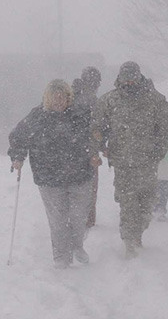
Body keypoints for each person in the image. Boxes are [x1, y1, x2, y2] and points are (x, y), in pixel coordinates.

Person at [8, 79, 97, 269]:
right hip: (49, 178)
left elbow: (96, 134)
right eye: (54, 99)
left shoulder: (80, 115)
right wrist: (17, 156)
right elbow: (18, 137)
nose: (59, 102)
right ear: (47, 99)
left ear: (68, 97)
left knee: (79, 217)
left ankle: (77, 246)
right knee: (57, 220)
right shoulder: (37, 117)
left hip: (80, 174)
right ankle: (60, 257)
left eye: (62, 98)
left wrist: (96, 151)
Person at [90, 61, 168, 259]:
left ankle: (138, 234)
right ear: (119, 78)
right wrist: (99, 148)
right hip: (122, 162)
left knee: (146, 205)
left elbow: (165, 127)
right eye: (125, 77)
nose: (129, 81)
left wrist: (158, 151)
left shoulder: (154, 99)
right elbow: (96, 128)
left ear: (139, 77)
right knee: (128, 204)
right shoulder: (109, 100)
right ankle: (129, 241)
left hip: (148, 161)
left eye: (132, 77)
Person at [71, 66, 102, 228]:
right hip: (88, 149)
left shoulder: (70, 95)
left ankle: (75, 217)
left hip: (69, 150)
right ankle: (88, 219)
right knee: (90, 186)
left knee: (73, 185)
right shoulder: (91, 99)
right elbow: (96, 127)